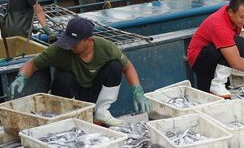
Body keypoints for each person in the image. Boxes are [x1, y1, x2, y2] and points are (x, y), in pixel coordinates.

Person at [9, 17, 152, 126]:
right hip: (71, 93)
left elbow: (128, 67)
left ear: (89, 40)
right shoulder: (60, 49)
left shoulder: (106, 47)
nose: (69, 46)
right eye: (68, 40)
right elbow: (32, 64)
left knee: (114, 66)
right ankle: (67, 117)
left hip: (94, 93)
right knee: (63, 78)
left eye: (74, 43)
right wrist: (21, 77)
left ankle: (101, 112)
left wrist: (137, 90)